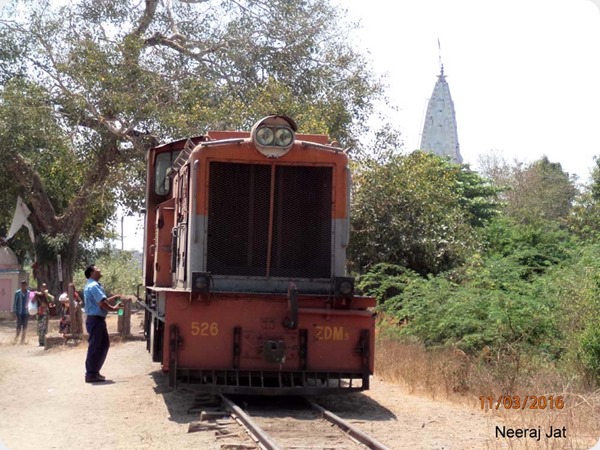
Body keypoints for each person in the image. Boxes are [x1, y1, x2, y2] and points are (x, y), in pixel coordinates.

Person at [83, 264, 123, 383]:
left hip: (96, 320)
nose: (100, 269)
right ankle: (91, 373)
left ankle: (94, 372)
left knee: (102, 345)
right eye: (97, 268)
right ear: (91, 272)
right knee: (96, 346)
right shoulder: (94, 286)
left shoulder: (92, 285)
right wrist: (115, 309)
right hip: (96, 320)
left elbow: (101, 302)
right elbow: (102, 304)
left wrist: (113, 299)